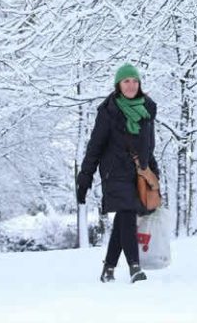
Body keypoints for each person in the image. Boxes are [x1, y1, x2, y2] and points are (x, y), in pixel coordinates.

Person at [76, 63, 160, 283]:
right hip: (114, 172)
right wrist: (85, 177)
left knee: (124, 217)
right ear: (118, 85)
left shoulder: (147, 109)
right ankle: (135, 267)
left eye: (134, 81)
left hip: (139, 173)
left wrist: (153, 173)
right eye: (126, 81)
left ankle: (109, 268)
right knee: (127, 212)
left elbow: (149, 146)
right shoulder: (108, 111)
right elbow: (95, 146)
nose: (131, 85)